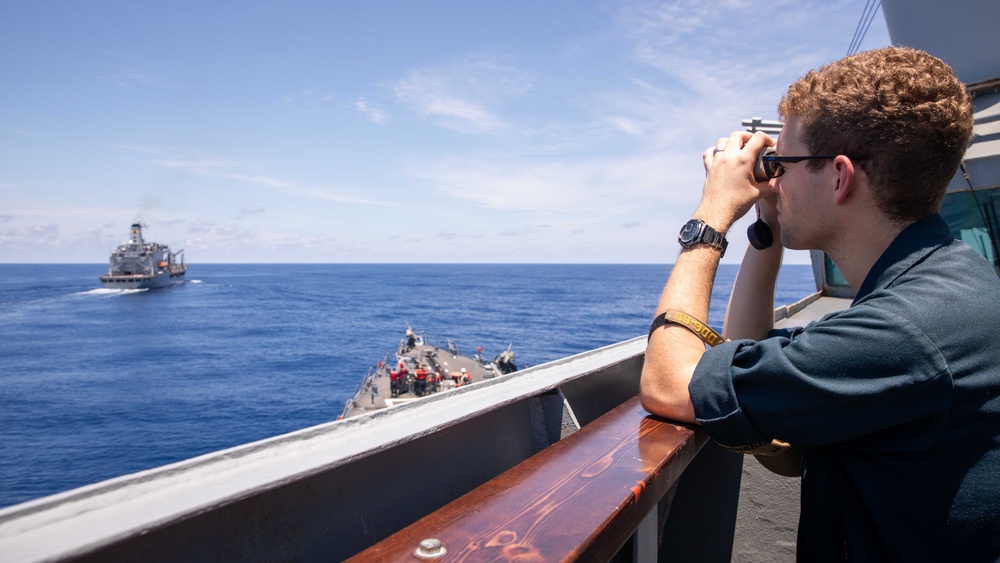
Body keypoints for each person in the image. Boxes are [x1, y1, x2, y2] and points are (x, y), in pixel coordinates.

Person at [639, 46, 1000, 561]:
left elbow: (668, 384)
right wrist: (769, 223)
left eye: (782, 164)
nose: (773, 178)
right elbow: (747, 348)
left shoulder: (902, 332)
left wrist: (712, 216)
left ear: (840, 177)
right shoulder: (946, 283)